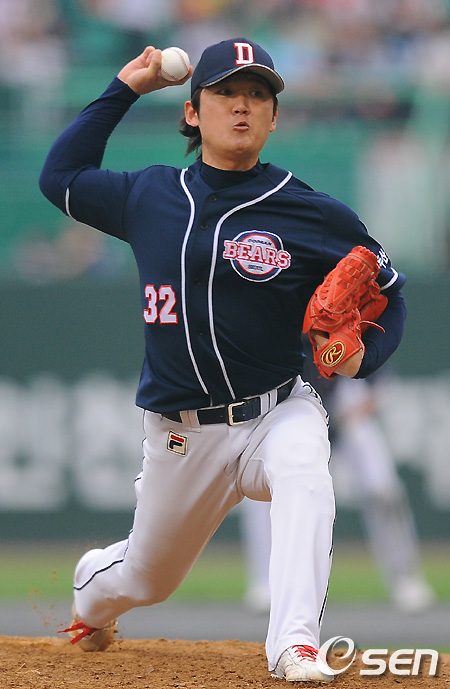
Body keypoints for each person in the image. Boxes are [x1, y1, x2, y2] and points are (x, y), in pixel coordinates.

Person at [39, 37, 407, 683]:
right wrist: (124, 90)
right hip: (183, 432)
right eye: (226, 93)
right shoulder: (150, 194)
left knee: (306, 472)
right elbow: (60, 178)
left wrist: (364, 357)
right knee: (146, 579)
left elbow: (388, 289)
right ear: (192, 111)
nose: (242, 105)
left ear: (274, 116)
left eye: (257, 95)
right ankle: (92, 587)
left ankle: (294, 644)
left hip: (277, 409)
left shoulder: (311, 211)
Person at [242, 360, 435, 616]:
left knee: (381, 488)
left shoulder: (344, 333)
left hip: (345, 406)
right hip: (294, 410)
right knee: (262, 491)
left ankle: (406, 579)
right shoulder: (280, 337)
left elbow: (380, 381)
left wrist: (359, 409)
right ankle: (266, 583)